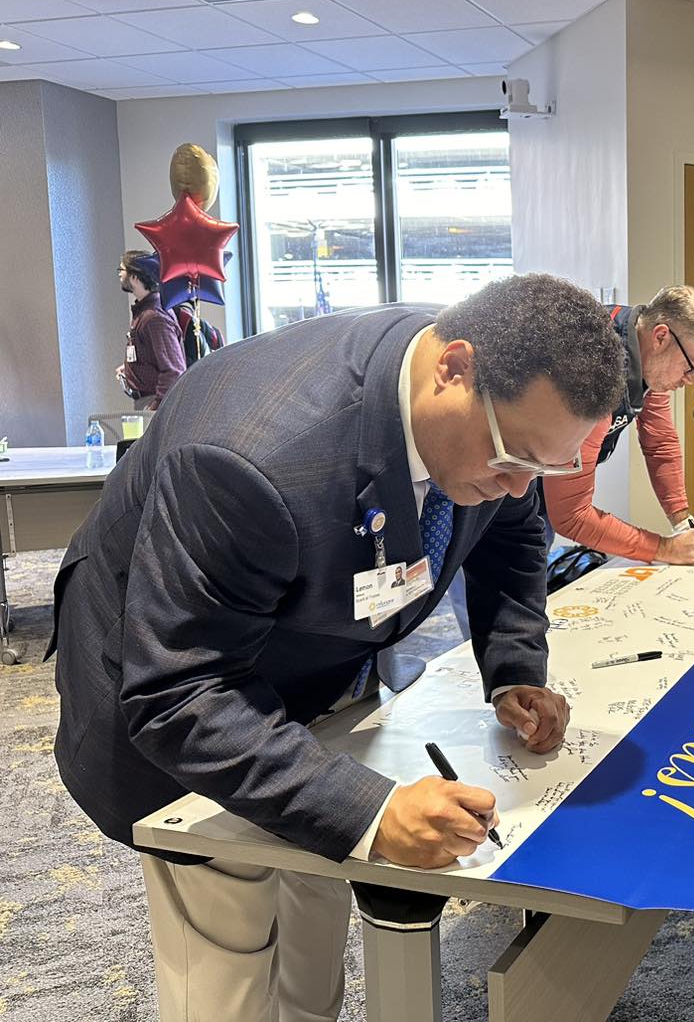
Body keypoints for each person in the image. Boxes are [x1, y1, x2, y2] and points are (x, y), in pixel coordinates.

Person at [50, 273, 626, 1022]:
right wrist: (373, 810)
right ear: (452, 369)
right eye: (514, 457)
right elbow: (180, 695)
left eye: (544, 468)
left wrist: (513, 666)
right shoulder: (250, 458)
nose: (521, 487)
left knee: (314, 898)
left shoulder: (487, 405)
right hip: (171, 691)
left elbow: (512, 531)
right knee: (228, 944)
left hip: (318, 662)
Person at [543, 285, 694, 565]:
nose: (691, 381)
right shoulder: (594, 372)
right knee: (507, 582)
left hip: (535, 468)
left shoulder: (644, 350)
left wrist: (684, 526)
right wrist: (664, 548)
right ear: (661, 336)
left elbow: (660, 443)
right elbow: (572, 516)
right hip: (496, 476)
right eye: (691, 367)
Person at [116, 250, 187, 409]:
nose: (120, 275)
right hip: (148, 401)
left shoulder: (155, 318)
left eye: (122, 270)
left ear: (134, 277)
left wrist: (155, 407)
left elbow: (174, 370)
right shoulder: (145, 312)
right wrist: (130, 369)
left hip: (155, 404)